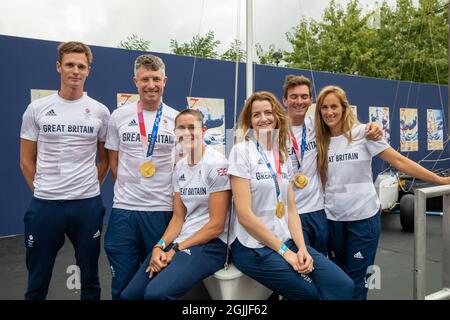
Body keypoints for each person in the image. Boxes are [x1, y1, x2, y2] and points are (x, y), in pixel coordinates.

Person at [314, 85, 450, 300]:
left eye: (334, 106)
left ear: (344, 108)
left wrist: (439, 179)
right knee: (338, 281)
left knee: (357, 283)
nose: (329, 112)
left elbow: (399, 161)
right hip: (333, 220)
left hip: (363, 220)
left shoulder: (364, 134)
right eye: (324, 107)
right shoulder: (319, 142)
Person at [228, 91, 354, 300]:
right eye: (256, 114)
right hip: (254, 247)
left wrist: (302, 248)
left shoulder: (281, 153)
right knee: (312, 294)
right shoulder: (241, 151)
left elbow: (291, 209)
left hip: (285, 239)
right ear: (249, 121)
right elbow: (245, 216)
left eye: (268, 112)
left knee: (343, 285)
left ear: (277, 116)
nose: (263, 119)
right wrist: (285, 252)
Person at [19, 41, 110, 300]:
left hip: (87, 205)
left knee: (90, 277)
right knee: (37, 279)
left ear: (88, 71)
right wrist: (41, 190)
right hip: (46, 205)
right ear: (59, 67)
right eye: (70, 64)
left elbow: (103, 160)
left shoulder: (100, 111)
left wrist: (91, 187)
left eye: (81, 66)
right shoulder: (37, 109)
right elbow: (26, 160)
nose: (75, 71)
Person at [120, 109, 231, 299]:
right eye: (181, 128)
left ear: (204, 130)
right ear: (175, 133)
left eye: (192, 127)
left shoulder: (216, 164)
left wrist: (175, 249)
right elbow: (178, 219)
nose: (187, 133)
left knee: (156, 295)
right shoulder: (179, 166)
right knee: (130, 295)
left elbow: (216, 226)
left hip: (211, 245)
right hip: (182, 241)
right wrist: (159, 246)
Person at [104, 54, 179, 299]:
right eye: (145, 79)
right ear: (135, 81)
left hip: (162, 210)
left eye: (156, 79)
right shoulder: (119, 116)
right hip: (125, 211)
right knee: (123, 284)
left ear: (165, 80)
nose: (151, 85)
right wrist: (128, 190)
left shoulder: (176, 119)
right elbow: (113, 160)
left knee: (157, 282)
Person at [282, 75, 382, 255]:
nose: (299, 101)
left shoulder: (317, 127)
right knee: (300, 267)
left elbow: (346, 129)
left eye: (304, 96)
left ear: (311, 100)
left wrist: (374, 126)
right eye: (294, 96)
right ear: (285, 100)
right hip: (291, 213)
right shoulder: (274, 131)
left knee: (325, 265)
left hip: (319, 212)